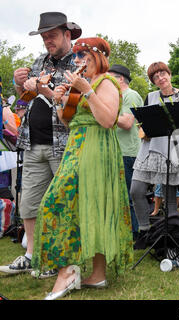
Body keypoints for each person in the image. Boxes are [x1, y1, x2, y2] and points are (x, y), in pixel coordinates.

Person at [31, 37, 133, 300]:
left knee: (68, 203)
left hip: (97, 149)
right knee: (72, 204)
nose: (76, 61)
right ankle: (90, 275)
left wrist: (87, 91)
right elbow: (68, 123)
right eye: (75, 56)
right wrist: (61, 100)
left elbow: (108, 120)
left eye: (81, 55)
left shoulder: (106, 82)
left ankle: (73, 273)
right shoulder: (81, 85)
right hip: (77, 146)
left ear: (96, 56)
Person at [0, 12, 81, 278]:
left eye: (52, 36)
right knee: (30, 203)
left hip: (64, 144)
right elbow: (24, 99)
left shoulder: (80, 61)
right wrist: (18, 81)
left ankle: (58, 260)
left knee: (62, 203)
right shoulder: (39, 61)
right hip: (33, 142)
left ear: (67, 35)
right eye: (44, 37)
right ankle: (31, 255)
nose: (47, 41)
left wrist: (45, 88)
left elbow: (76, 103)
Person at [130, 62, 179, 244]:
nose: (160, 78)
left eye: (162, 73)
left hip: (171, 151)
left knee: (170, 199)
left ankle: (171, 238)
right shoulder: (151, 96)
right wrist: (144, 127)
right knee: (136, 191)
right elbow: (144, 123)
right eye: (155, 77)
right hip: (149, 148)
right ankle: (145, 232)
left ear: (169, 74)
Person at [108, 64, 144, 240]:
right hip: (114, 151)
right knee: (118, 195)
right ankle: (123, 230)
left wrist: (104, 112)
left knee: (130, 195)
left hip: (128, 152)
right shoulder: (115, 97)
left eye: (110, 78)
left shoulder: (131, 95)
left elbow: (127, 123)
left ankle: (136, 233)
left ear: (120, 78)